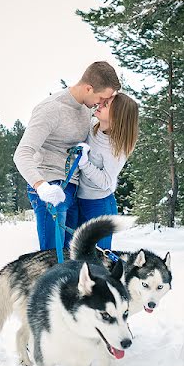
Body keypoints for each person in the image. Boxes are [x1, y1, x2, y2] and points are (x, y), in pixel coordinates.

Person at [13, 61, 121, 251]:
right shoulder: (50, 109)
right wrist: (41, 187)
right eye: (102, 98)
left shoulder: (87, 109)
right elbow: (22, 154)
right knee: (52, 258)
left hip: (73, 187)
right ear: (89, 88)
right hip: (51, 185)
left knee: (72, 257)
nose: (102, 103)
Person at [75, 92, 139, 250]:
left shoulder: (116, 149)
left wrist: (84, 163)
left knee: (98, 257)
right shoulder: (92, 125)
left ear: (117, 116)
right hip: (79, 198)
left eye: (106, 105)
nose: (100, 105)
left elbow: (106, 181)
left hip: (99, 205)